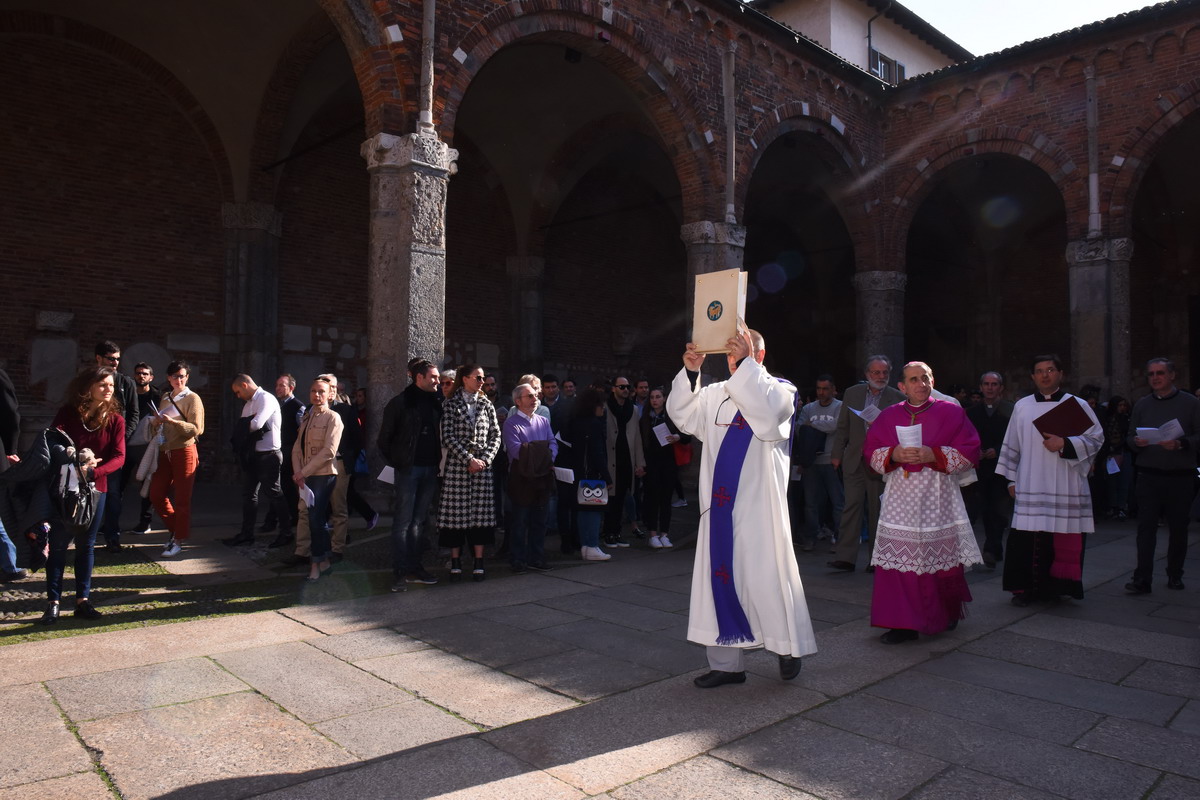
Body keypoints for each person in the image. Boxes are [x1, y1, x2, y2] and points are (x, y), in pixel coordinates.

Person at [667, 327, 817, 688]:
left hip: (760, 510)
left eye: (741, 351)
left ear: (758, 355)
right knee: (719, 579)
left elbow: (767, 417)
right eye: (730, 353)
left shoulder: (781, 391)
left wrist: (748, 366)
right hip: (720, 511)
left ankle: (786, 648)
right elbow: (683, 416)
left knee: (767, 581)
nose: (733, 359)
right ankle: (727, 665)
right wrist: (691, 372)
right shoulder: (714, 394)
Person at [865, 362, 982, 643]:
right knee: (899, 562)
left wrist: (934, 454)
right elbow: (870, 451)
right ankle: (901, 624)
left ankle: (945, 613)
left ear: (932, 381)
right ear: (902, 387)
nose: (921, 384)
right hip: (900, 499)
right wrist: (894, 455)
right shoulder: (889, 415)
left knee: (940, 559)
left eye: (925, 378)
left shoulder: (951, 412)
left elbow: (971, 450)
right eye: (914, 380)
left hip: (938, 495)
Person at [996, 355, 1103, 606]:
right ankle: (1025, 589)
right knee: (1026, 539)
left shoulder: (1077, 405)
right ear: (1033, 376)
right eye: (1040, 371)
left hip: (1065, 483)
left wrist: (1065, 443)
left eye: (1051, 370)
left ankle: (1057, 589)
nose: (1045, 375)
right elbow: (1012, 444)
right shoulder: (1022, 406)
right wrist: (1011, 480)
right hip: (1030, 482)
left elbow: (1096, 439)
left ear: (1060, 374)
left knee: (1060, 535)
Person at [39, 366, 126, 624]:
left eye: (111, 385)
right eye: (103, 384)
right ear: (88, 387)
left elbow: (119, 457)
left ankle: (82, 601)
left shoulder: (115, 420)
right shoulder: (68, 413)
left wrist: (94, 472)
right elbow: (52, 440)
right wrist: (72, 457)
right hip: (65, 487)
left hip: (96, 489)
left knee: (86, 546)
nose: (108, 389)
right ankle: (53, 603)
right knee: (58, 545)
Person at [1125, 358, 1200, 593]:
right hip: (1149, 475)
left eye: (1160, 373)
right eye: (1151, 374)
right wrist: (1136, 442)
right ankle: (1142, 578)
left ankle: (1175, 574)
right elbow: (1130, 436)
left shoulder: (1191, 403)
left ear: (1172, 375)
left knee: (1178, 528)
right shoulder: (1142, 404)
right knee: (1145, 528)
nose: (1155, 378)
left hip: (1180, 476)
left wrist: (1181, 444)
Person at [828, 356, 904, 572]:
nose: (881, 376)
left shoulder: (897, 398)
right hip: (854, 459)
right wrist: (836, 454)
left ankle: (877, 559)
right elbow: (843, 427)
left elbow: (899, 432)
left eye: (885, 373)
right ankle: (845, 557)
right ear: (867, 374)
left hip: (880, 461)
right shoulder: (852, 393)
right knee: (851, 506)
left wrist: (880, 425)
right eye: (876, 372)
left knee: (878, 509)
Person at [378, 358, 443, 591]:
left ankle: (415, 567)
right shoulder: (400, 403)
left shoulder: (437, 402)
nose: (437, 381)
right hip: (409, 470)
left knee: (419, 521)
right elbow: (384, 440)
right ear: (419, 378)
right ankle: (400, 571)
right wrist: (399, 463)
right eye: (433, 377)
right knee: (403, 522)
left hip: (430, 468)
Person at [438, 365, 501, 582]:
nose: (482, 381)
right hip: (458, 467)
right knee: (455, 518)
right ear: (465, 379)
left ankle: (478, 562)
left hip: (482, 468)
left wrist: (485, 460)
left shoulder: (486, 404)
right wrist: (468, 459)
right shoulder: (451, 404)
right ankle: (455, 561)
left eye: (483, 378)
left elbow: (495, 435)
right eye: (478, 378)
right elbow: (447, 436)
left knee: (480, 518)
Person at [226, 374, 291, 548]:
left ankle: (286, 532)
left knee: (274, 494)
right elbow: (245, 425)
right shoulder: (248, 404)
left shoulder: (266, 399)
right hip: (252, 455)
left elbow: (256, 424)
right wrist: (246, 424)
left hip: (269, 455)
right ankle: (247, 534)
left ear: (245, 385)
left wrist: (245, 425)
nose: (238, 396)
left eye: (238, 391)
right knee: (249, 495)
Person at [148, 360, 205, 559]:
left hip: (185, 450)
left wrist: (173, 422)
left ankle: (178, 540)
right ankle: (177, 530)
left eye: (182, 376)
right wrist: (156, 422)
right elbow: (160, 425)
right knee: (156, 493)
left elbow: (197, 429)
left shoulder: (192, 398)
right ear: (168, 378)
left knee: (182, 498)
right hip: (165, 450)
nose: (178, 380)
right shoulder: (166, 397)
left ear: (187, 377)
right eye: (174, 376)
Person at [292, 377, 343, 582]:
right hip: (306, 475)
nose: (317, 395)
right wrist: (298, 472)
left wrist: (303, 472)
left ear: (330, 394)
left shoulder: (333, 418)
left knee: (315, 518)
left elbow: (329, 451)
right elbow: (297, 448)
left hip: (324, 475)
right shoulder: (307, 417)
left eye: (321, 391)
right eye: (313, 391)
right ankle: (324, 560)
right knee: (315, 519)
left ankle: (316, 563)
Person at [503, 383, 557, 573]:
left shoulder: (543, 421)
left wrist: (548, 456)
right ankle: (518, 559)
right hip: (522, 478)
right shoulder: (511, 423)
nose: (535, 399)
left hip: (542, 477)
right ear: (518, 401)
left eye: (535, 395)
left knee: (540, 520)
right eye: (530, 396)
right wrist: (543, 453)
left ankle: (537, 557)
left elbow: (552, 443)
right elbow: (516, 450)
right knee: (520, 520)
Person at [93, 341, 139, 553]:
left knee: (112, 492)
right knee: (87, 490)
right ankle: (87, 533)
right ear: (99, 358)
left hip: (115, 446)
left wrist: (123, 437)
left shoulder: (125, 383)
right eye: (111, 358)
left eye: (117, 359)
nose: (115, 363)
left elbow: (134, 413)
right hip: (92, 444)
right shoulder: (89, 380)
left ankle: (112, 536)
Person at [966, 371, 1014, 568]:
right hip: (978, 469)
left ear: (1000, 387)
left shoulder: (1011, 411)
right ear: (981, 387)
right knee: (981, 508)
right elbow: (966, 437)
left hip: (1001, 469)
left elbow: (1016, 438)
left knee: (998, 510)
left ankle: (991, 549)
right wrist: (974, 451)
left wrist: (999, 450)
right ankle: (990, 549)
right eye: (986, 384)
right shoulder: (971, 412)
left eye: (994, 384)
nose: (990, 388)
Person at [564, 384, 614, 561]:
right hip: (592, 474)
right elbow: (597, 453)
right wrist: (607, 477)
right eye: (601, 405)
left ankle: (586, 545)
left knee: (583, 510)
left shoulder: (576, 422)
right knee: (593, 510)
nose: (603, 408)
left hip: (579, 473)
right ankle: (592, 545)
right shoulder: (594, 424)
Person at [796, 374, 844, 552]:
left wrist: (814, 425)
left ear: (833, 390)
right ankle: (811, 537)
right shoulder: (809, 408)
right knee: (811, 503)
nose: (821, 392)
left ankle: (840, 539)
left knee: (838, 502)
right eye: (819, 388)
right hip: (812, 462)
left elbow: (837, 426)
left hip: (832, 459)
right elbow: (800, 428)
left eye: (825, 389)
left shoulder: (840, 407)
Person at [639, 386, 689, 549]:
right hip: (651, 464)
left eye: (658, 397)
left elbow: (687, 436)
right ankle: (653, 534)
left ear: (664, 398)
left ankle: (665, 534)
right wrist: (641, 463)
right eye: (652, 397)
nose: (655, 400)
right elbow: (640, 443)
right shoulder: (645, 419)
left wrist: (677, 437)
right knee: (652, 499)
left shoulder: (672, 417)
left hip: (668, 463)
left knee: (666, 499)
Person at [603, 377, 645, 548]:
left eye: (627, 387)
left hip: (627, 459)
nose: (625, 389)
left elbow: (637, 437)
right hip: (610, 458)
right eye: (621, 387)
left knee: (622, 497)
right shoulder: (606, 407)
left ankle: (617, 532)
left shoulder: (633, 409)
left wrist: (640, 463)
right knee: (610, 498)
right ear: (613, 388)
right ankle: (608, 533)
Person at [262, 374, 304, 538]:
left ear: (291, 388)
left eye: (282, 385)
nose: (278, 388)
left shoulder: (297, 407)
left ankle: (274, 520)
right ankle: (291, 517)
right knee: (283, 487)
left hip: (289, 451)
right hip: (279, 450)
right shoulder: (278, 405)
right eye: (277, 385)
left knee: (280, 486)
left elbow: (302, 432)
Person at [120, 362, 158, 536]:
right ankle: (111, 524)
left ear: (151, 377)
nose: (141, 376)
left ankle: (145, 522)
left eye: (145, 374)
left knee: (147, 484)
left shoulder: (157, 396)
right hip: (126, 444)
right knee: (119, 484)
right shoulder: (128, 394)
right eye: (138, 373)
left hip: (146, 446)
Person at [1103, 395, 1132, 520]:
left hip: (1124, 451)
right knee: (1112, 482)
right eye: (1120, 405)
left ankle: (1121, 507)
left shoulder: (1126, 419)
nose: (1122, 408)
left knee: (1124, 481)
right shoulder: (1109, 420)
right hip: (1111, 453)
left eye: (1124, 405)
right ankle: (1113, 506)